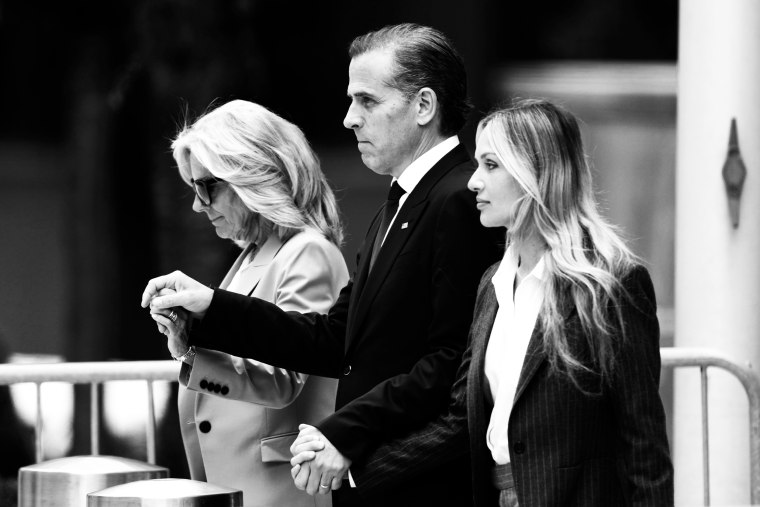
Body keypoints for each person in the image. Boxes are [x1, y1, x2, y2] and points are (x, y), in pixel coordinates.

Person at [142, 23, 502, 507]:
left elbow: (449, 364)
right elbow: (331, 340)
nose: (350, 118)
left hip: (417, 483)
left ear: (423, 106)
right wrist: (210, 309)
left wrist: (343, 433)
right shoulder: (400, 203)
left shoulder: (458, 198)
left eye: (367, 101)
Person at [294, 99, 674, 506]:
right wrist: (352, 469)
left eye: (491, 165)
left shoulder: (612, 284)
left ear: (538, 174)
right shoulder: (492, 284)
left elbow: (644, 449)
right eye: (477, 164)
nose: (473, 181)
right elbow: (460, 422)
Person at [149, 99, 349, 507]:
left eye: (207, 185)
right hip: (248, 483)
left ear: (256, 176)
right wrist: (187, 343)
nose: (197, 203)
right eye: (192, 187)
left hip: (281, 488)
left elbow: (283, 378)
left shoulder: (308, 251)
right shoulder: (258, 251)